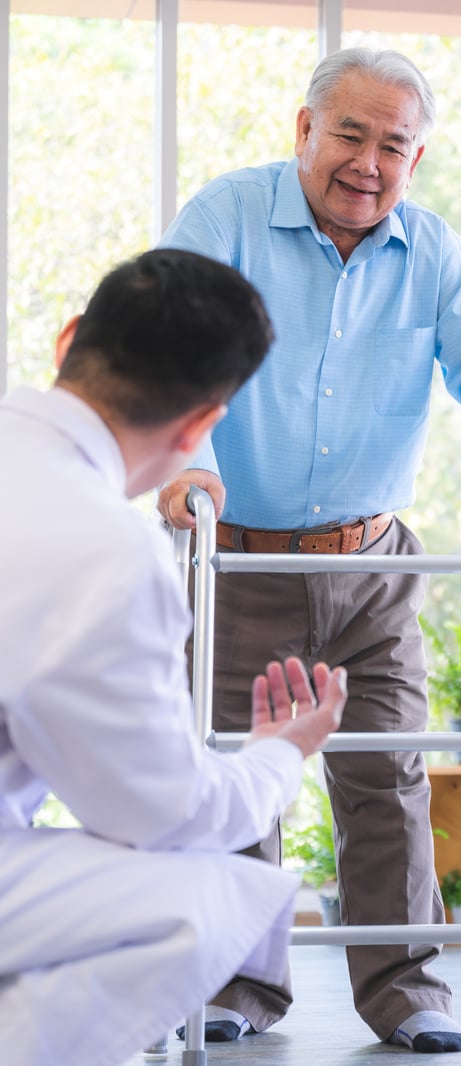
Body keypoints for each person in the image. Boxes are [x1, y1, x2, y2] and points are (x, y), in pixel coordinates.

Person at [157, 47, 461, 1055]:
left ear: (416, 159)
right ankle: (234, 984)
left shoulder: (434, 251)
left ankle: (409, 993)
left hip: (372, 566)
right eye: (350, 135)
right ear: (304, 130)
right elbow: (169, 344)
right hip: (238, 562)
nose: (369, 163)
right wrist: (187, 461)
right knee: (237, 778)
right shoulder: (229, 218)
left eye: (394, 146)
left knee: (387, 775)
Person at [0, 248, 348, 1066]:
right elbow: (159, 813)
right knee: (207, 893)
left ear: (68, 339)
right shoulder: (107, 549)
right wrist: (279, 756)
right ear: (200, 426)